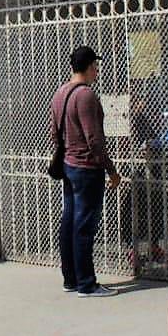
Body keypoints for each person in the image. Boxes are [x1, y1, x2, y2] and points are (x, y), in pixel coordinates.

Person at [51, 45, 122, 297]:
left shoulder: (61, 93)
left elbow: (54, 133)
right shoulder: (86, 96)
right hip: (87, 168)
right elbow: (94, 139)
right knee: (84, 226)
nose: (97, 71)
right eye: (96, 66)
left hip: (70, 165)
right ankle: (86, 283)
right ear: (90, 66)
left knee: (69, 222)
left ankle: (70, 279)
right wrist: (111, 170)